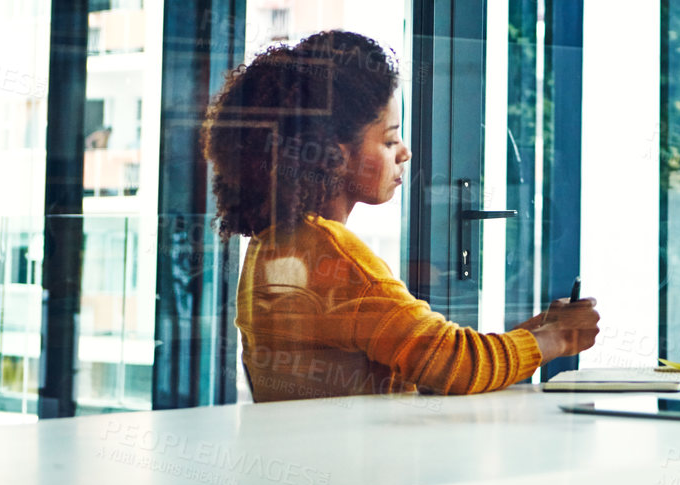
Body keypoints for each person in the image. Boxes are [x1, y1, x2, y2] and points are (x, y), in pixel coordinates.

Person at [204, 30, 599, 402]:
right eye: (390, 139)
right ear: (334, 153)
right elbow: (453, 364)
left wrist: (537, 332)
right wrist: (557, 340)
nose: (404, 152)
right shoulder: (335, 256)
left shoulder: (272, 242)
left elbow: (432, 353)